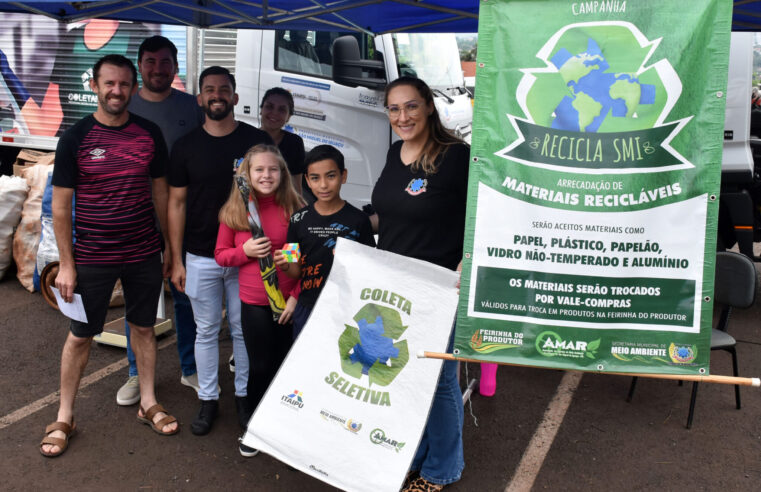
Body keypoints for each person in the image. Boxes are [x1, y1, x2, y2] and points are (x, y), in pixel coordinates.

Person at [40, 54, 178, 458]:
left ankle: (148, 401)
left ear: (134, 88)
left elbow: (161, 195)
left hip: (142, 253)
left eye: (124, 84)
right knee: (81, 335)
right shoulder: (76, 138)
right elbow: (61, 207)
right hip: (93, 257)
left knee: (143, 329)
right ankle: (64, 415)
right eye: (109, 84)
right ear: (95, 86)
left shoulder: (149, 134)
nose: (116, 91)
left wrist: (169, 247)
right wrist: (67, 263)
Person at [371, 76, 469, 491]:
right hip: (394, 283)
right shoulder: (396, 153)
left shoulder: (457, 157)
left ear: (429, 106)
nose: (402, 117)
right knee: (408, 374)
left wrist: (467, 264)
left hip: (437, 285)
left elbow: (479, 217)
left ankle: (442, 468)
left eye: (411, 106)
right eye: (394, 109)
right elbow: (387, 214)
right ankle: (418, 453)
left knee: (439, 378)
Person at [168, 66, 272, 436]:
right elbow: (176, 204)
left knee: (243, 330)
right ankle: (208, 400)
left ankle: (244, 397)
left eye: (224, 89)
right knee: (207, 330)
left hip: (248, 254)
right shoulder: (185, 147)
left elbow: (273, 192)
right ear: (200, 99)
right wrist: (175, 257)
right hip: (200, 255)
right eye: (209, 90)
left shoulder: (255, 142)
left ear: (235, 97)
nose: (217, 95)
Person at [116, 35, 205, 406]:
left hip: (182, 218)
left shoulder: (190, 107)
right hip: (135, 219)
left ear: (175, 67)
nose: (158, 69)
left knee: (185, 294)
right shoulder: (125, 105)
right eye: (150, 61)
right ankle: (137, 373)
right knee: (140, 300)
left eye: (165, 62)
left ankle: (189, 368)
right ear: (140, 66)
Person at [215, 144, 303, 457]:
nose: (266, 175)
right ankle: (256, 425)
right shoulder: (235, 212)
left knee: (286, 366)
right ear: (247, 174)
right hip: (253, 302)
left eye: (273, 169)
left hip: (289, 303)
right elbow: (221, 255)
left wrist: (293, 291)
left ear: (283, 173)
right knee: (260, 365)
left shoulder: (293, 209)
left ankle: (284, 427)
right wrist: (245, 253)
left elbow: (301, 258)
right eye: (259, 170)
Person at [274, 144, 375, 338]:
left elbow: (368, 268)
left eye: (331, 176)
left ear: (343, 176)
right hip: (307, 307)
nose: (323, 185)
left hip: (346, 308)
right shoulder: (297, 220)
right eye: (315, 178)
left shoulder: (359, 220)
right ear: (307, 181)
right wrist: (285, 265)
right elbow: (295, 271)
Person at [259, 87, 305, 194]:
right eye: (269, 106)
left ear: (288, 116)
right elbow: (239, 180)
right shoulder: (246, 138)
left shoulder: (295, 143)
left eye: (281, 109)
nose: (274, 113)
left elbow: (296, 188)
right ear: (261, 110)